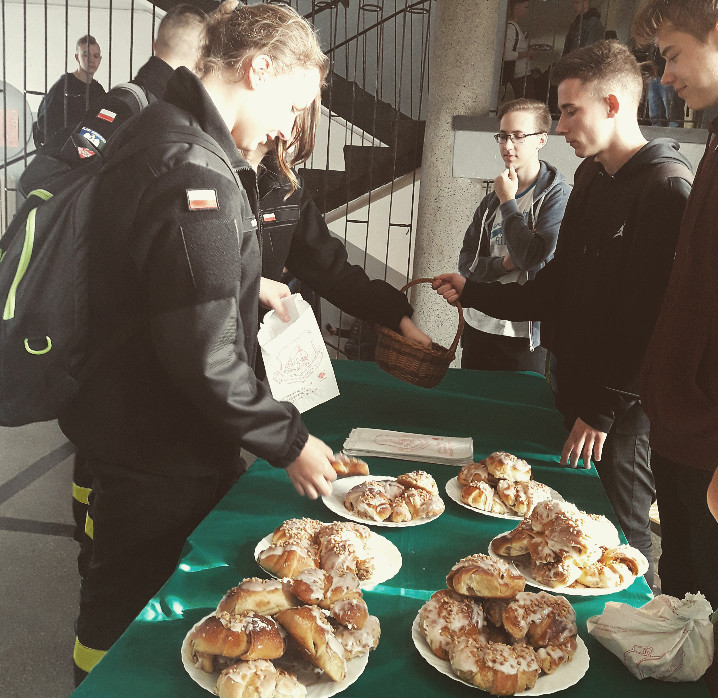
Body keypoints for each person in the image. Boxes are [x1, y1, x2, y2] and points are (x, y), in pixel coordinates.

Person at [58, 2, 337, 683]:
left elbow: (164, 287)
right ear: (257, 69)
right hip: (160, 448)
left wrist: (247, 286)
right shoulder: (195, 171)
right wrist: (290, 441)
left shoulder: (162, 128)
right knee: (134, 622)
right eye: (291, 106)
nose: (287, 128)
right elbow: (205, 355)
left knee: (116, 604)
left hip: (130, 428)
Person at [433, 40, 693, 590]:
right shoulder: (592, 179)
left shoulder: (666, 187)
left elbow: (651, 322)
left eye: (571, 111)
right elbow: (557, 288)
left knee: (621, 537)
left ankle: (644, 623)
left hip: (618, 414)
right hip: (571, 388)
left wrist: (601, 411)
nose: (561, 127)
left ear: (613, 104)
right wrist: (475, 292)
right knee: (563, 530)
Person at [67, 3, 208, 573]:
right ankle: (94, 548)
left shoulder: (158, 103)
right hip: (110, 307)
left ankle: (97, 542)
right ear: (198, 56)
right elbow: (72, 167)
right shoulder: (133, 102)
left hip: (115, 306)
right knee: (103, 464)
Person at [633, 0, 718, 609]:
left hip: (707, 442)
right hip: (682, 433)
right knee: (684, 605)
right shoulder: (713, 139)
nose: (665, 77)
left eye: (672, 56)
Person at [457, 98, 569, 373]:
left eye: (518, 136)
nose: (508, 146)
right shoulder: (491, 201)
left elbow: (530, 257)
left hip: (523, 335)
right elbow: (467, 264)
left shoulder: (556, 196)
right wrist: (504, 265)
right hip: (478, 325)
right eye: (503, 136)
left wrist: (509, 202)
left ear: (541, 140)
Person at [32, 34, 105, 148]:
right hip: (63, 151)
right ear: (77, 57)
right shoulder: (63, 85)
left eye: (96, 56)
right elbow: (44, 124)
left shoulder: (98, 90)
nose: (92, 60)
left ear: (100, 60)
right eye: (86, 55)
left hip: (88, 150)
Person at [502, 0, 536, 99]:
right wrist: (527, 53)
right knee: (526, 103)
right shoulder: (511, 28)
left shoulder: (515, 27)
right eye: (525, 7)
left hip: (522, 74)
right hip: (519, 75)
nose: (527, 10)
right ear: (517, 7)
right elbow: (506, 54)